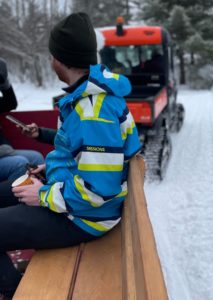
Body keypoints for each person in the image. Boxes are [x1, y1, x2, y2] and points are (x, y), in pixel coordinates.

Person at [0, 12, 141, 298]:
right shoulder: (88, 97)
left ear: (60, 60)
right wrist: (48, 168)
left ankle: (13, 291)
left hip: (84, 218)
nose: (50, 61)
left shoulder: (93, 113)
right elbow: (79, 150)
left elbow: (98, 191)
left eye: (52, 55)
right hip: (71, 199)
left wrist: (42, 196)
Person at [0, 58, 44, 181]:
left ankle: (40, 196)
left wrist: (4, 82)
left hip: (4, 151)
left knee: (36, 158)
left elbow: (10, 103)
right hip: (3, 153)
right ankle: (14, 199)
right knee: (20, 164)